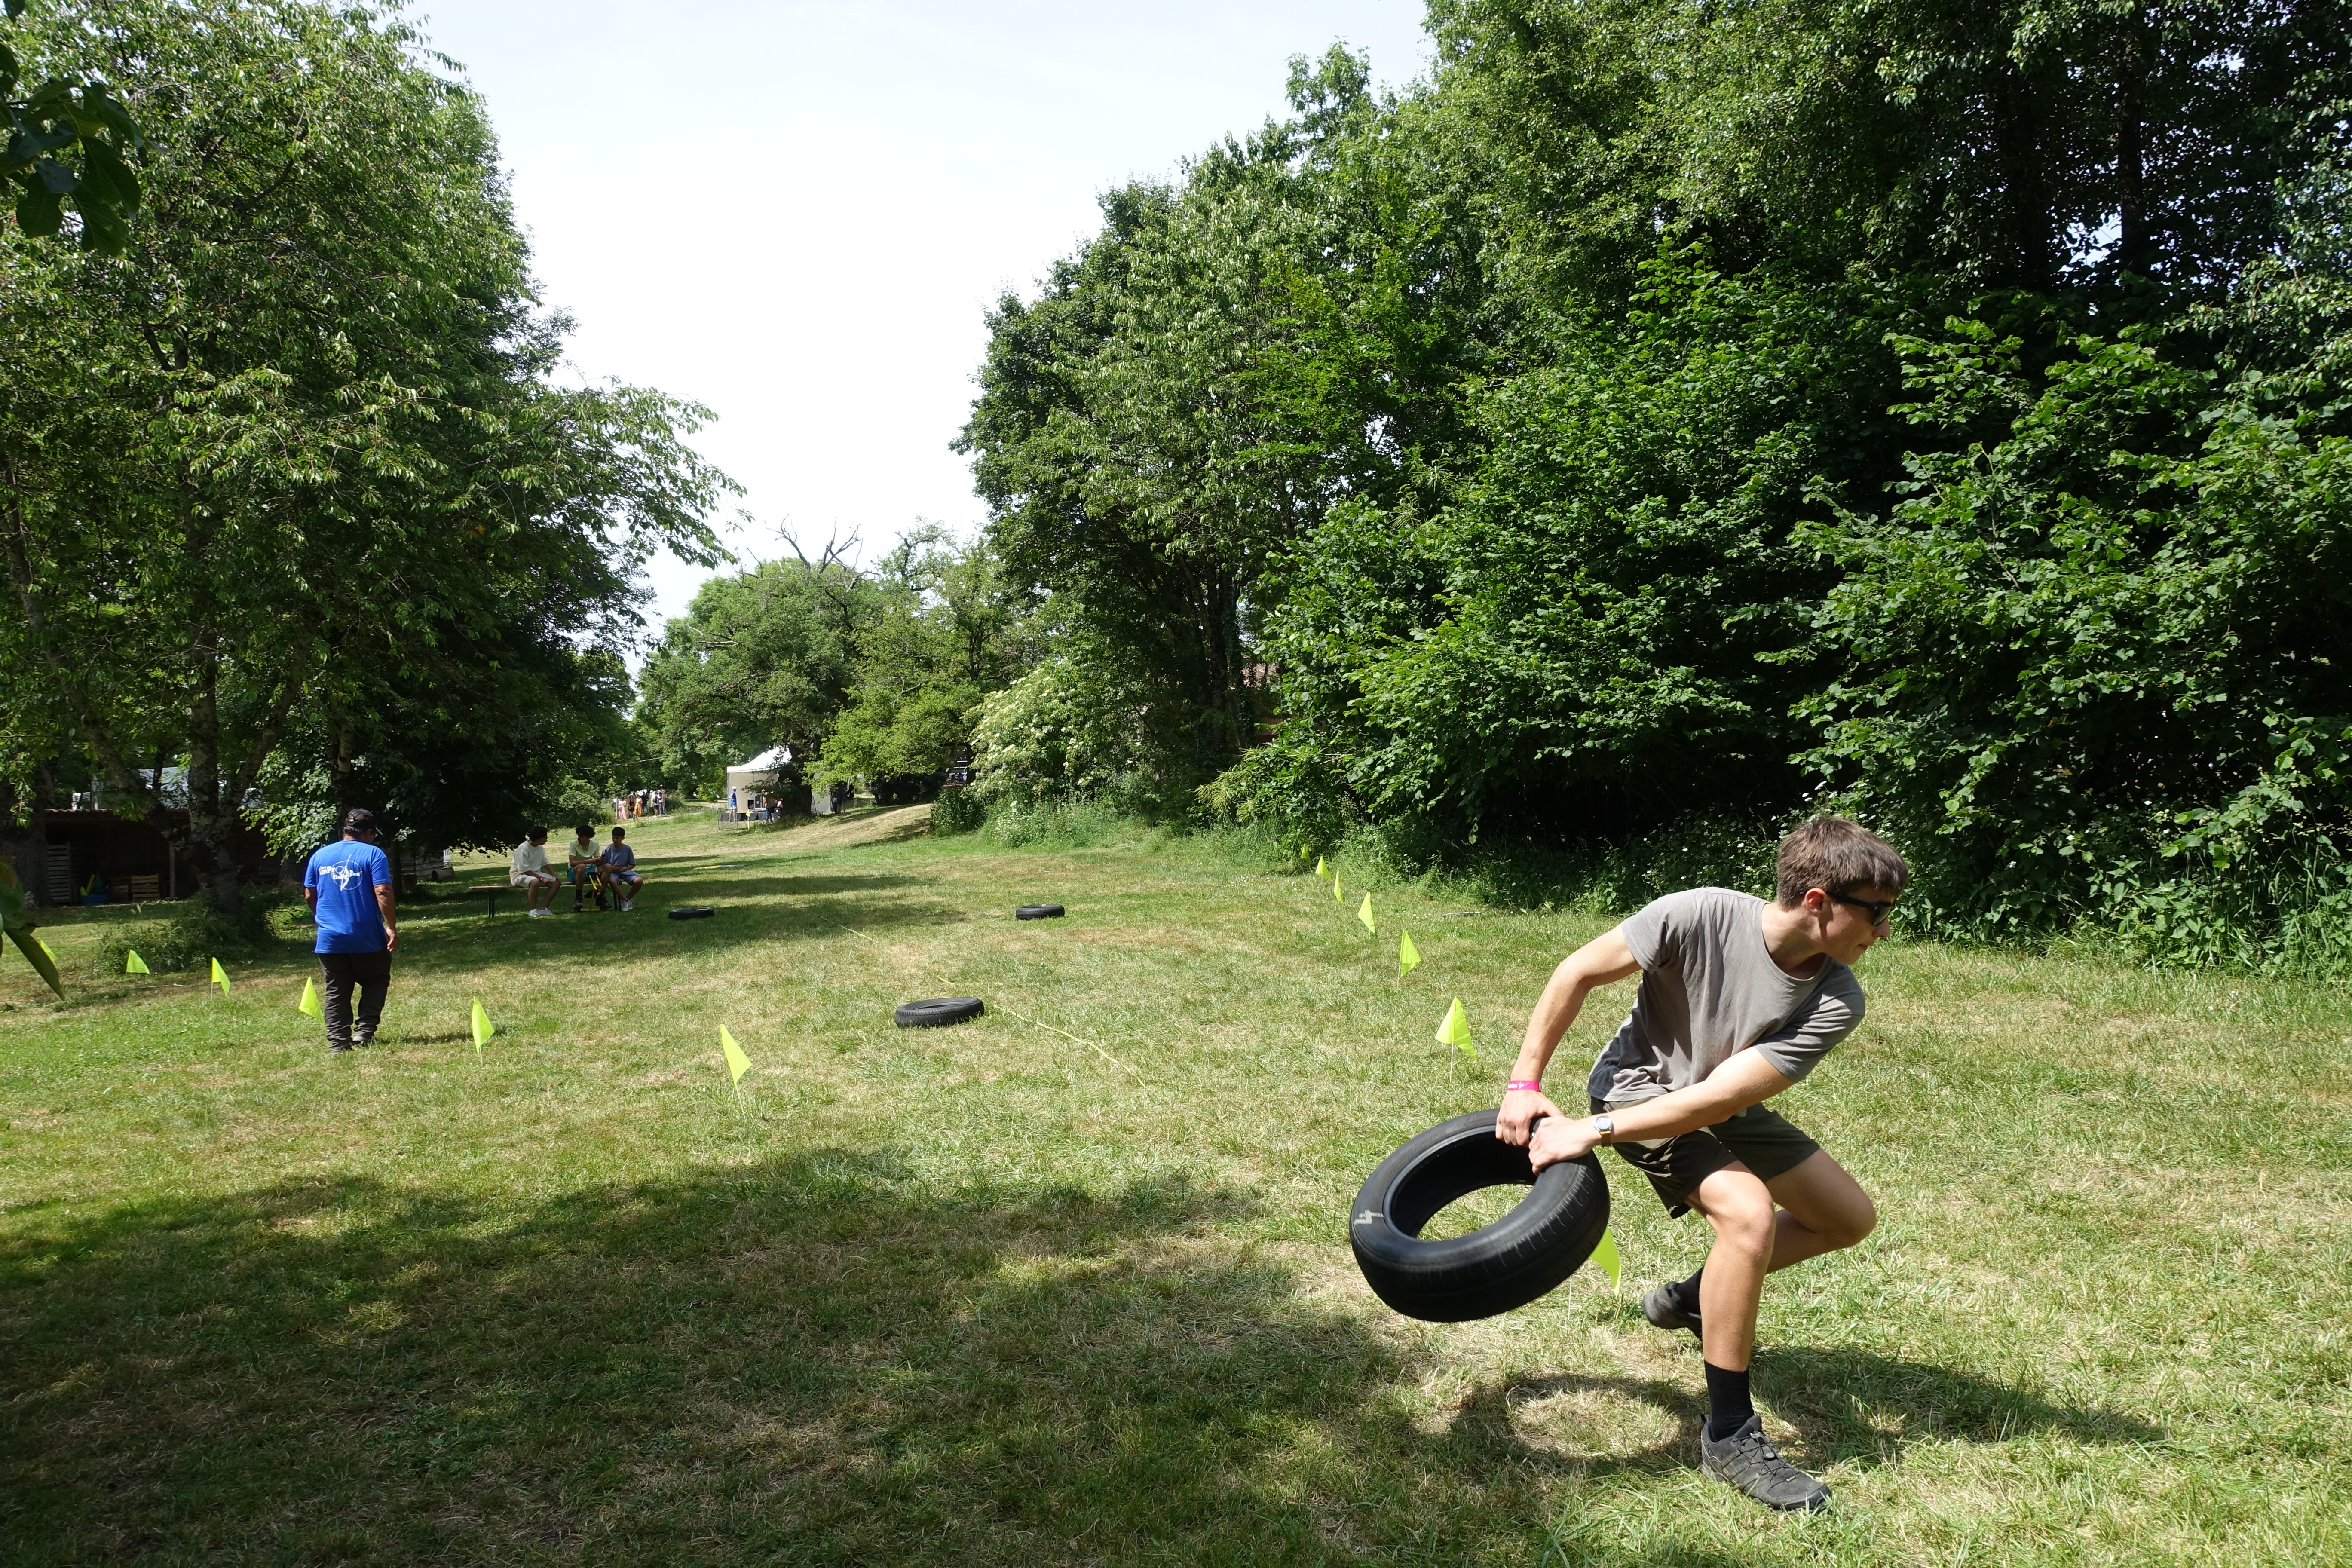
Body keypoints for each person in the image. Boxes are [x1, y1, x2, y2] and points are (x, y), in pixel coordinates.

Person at [1497, 816, 1904, 1514]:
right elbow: (1578, 971)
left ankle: (1692, 1297)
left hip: (1718, 1103)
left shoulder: (1836, 996)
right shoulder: (1698, 912)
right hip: (1635, 1089)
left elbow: (1720, 1096)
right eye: (1876, 911)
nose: (1885, 930)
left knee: (1845, 1216)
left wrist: (1588, 1132)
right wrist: (1526, 1085)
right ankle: (1728, 1433)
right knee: (1746, 1217)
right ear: (1816, 901)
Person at [302, 808, 398, 1052]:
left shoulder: (320, 856)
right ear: (368, 833)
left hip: (330, 939)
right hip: (366, 935)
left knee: (336, 990)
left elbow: (309, 894)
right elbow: (383, 891)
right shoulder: (373, 854)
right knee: (376, 981)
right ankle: (364, 1031)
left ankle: (338, 1043)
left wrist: (322, 919)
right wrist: (391, 927)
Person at [509, 826, 560, 917]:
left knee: (557, 882)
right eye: (545, 837)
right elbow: (524, 870)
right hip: (519, 876)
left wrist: (554, 875)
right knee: (535, 882)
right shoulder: (523, 849)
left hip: (536, 874)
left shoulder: (540, 848)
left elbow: (546, 863)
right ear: (540, 838)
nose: (547, 839)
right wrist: (542, 878)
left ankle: (543, 909)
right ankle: (533, 911)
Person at [600, 824, 646, 910]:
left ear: (623, 838)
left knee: (639, 881)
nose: (615, 840)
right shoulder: (607, 849)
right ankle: (624, 901)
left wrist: (625, 869)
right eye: (614, 838)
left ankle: (629, 898)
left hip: (624, 871)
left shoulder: (627, 849)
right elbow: (602, 865)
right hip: (612, 872)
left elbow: (632, 864)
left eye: (617, 838)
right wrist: (612, 868)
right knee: (613, 881)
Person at [565, 823, 605, 912]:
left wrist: (600, 861)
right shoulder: (574, 844)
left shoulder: (595, 844)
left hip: (590, 870)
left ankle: (601, 895)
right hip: (574, 872)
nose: (579, 838)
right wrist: (590, 861)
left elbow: (596, 862)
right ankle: (579, 897)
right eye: (578, 836)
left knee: (608, 867)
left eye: (581, 837)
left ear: (588, 837)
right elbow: (573, 863)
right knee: (582, 867)